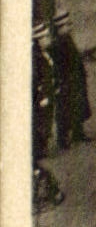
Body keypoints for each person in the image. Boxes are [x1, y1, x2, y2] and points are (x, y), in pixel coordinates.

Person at [51, 10, 92, 149]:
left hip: (74, 79)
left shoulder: (66, 39)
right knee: (66, 109)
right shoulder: (60, 43)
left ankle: (77, 132)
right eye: (67, 25)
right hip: (67, 80)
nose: (69, 27)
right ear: (60, 27)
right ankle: (64, 138)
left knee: (77, 105)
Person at [32, 21, 56, 161]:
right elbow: (37, 79)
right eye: (45, 37)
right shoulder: (36, 58)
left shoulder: (45, 53)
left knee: (47, 119)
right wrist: (41, 95)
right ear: (38, 41)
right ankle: (39, 149)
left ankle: (43, 146)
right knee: (42, 121)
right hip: (43, 96)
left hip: (48, 92)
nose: (48, 39)